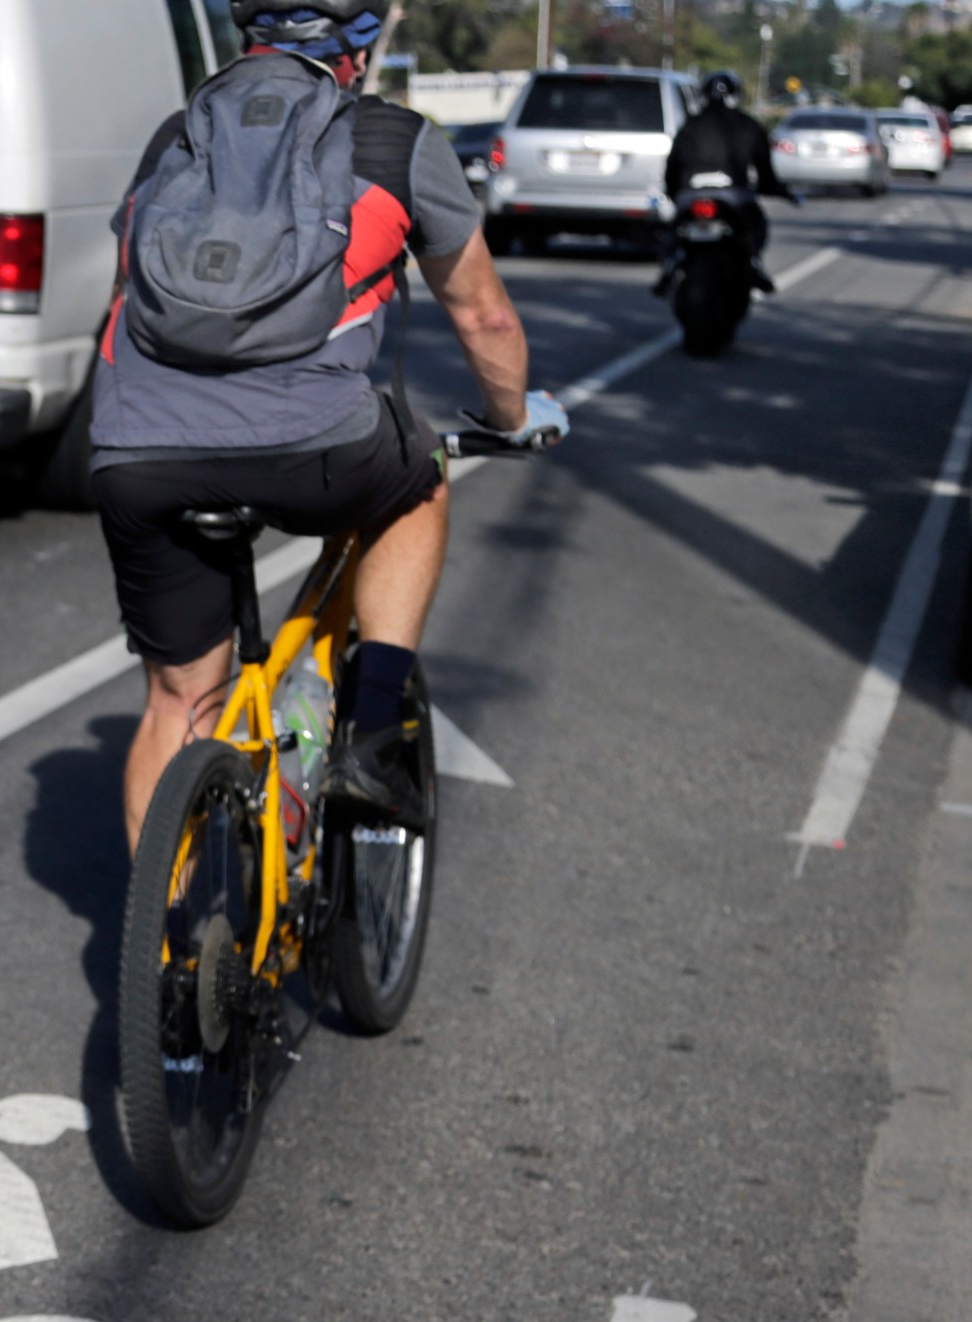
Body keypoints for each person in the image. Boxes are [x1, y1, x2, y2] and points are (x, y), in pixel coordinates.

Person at [92, 0, 564, 851]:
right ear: (359, 45)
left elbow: (127, 288)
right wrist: (513, 417)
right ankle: (373, 735)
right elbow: (484, 317)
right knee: (418, 479)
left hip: (138, 450)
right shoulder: (394, 140)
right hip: (313, 448)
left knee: (175, 702)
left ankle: (163, 958)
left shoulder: (178, 136)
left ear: (247, 35)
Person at [661, 70, 790, 294]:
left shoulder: (691, 125)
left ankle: (670, 266)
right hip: (734, 196)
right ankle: (753, 263)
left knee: (675, 229)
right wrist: (777, 190)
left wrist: (674, 194)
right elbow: (766, 173)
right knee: (755, 224)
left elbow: (672, 168)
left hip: (690, 195)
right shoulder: (748, 124)